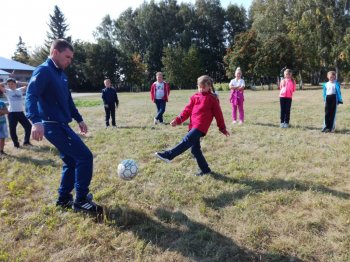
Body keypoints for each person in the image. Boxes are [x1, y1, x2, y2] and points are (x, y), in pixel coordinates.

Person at [25, 39, 102, 215]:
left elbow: (68, 100)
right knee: (85, 157)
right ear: (54, 53)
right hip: (52, 125)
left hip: (62, 124)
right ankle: (81, 201)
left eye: (71, 58)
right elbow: (31, 94)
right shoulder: (44, 70)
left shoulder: (61, 74)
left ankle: (63, 199)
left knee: (71, 161)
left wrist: (79, 119)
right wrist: (35, 121)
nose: (69, 61)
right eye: (67, 56)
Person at [155, 75, 230, 176]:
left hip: (200, 127)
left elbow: (219, 115)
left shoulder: (212, 99)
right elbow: (187, 111)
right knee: (195, 150)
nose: (201, 89)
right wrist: (178, 120)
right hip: (193, 126)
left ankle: (169, 155)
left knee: (187, 140)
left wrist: (222, 128)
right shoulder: (195, 97)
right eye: (199, 87)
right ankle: (205, 170)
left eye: (203, 87)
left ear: (209, 86)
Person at [0, 78, 32, 148]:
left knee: (28, 126)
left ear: (15, 84)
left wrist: (19, 82)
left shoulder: (19, 90)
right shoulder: (7, 91)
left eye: (12, 84)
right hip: (12, 113)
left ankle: (26, 142)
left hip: (20, 112)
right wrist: (5, 82)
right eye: (9, 84)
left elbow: (29, 84)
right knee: (13, 129)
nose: (10, 85)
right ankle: (16, 145)